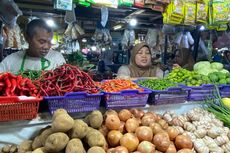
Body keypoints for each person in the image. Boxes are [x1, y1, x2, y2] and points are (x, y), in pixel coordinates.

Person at [0, 19, 66, 74]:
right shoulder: (10, 61)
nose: (47, 47)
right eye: (42, 42)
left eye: (49, 42)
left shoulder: (57, 59)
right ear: (27, 38)